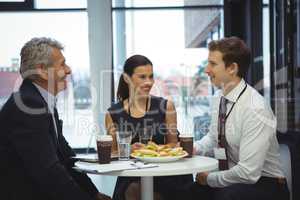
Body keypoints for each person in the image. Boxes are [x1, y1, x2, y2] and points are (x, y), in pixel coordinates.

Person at [0, 37, 111, 200]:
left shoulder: (39, 101)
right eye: (62, 64)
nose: (69, 70)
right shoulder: (29, 105)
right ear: (43, 71)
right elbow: (49, 172)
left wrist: (93, 193)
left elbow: (65, 156)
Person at [184, 36, 290, 200]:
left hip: (266, 184)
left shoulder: (255, 107)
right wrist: (193, 148)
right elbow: (214, 138)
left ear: (232, 68)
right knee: (189, 192)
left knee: (224, 196)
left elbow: (248, 173)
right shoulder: (219, 97)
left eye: (212, 64)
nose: (206, 70)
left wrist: (210, 179)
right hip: (233, 180)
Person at [105, 54, 193, 200]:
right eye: (142, 77)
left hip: (165, 173)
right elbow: (112, 152)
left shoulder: (166, 106)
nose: (149, 82)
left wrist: (156, 150)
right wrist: (127, 150)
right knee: (133, 189)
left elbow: (173, 143)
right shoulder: (113, 113)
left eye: (151, 76)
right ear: (127, 78)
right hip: (132, 174)